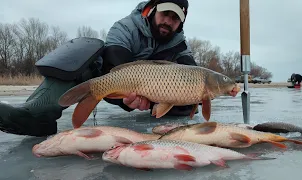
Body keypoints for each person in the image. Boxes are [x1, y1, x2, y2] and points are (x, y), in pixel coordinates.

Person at [0, 0, 198, 137]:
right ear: (153, 9)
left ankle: (166, 123)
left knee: (191, 96)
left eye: (175, 18)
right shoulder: (125, 27)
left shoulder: (179, 43)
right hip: (117, 83)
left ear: (181, 22)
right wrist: (128, 100)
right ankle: (37, 114)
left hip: (155, 92)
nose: (168, 22)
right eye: (165, 14)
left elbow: (191, 68)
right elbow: (114, 64)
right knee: (87, 51)